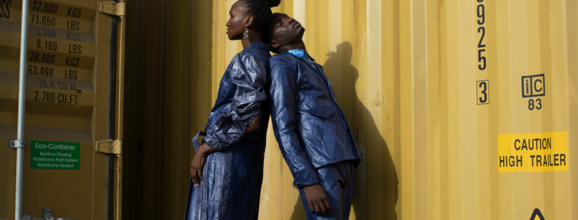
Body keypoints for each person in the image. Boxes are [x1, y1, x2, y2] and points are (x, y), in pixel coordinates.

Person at [184, 0, 280, 219]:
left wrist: (204, 149)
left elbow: (251, 121)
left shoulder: (248, 59)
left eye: (232, 16)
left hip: (226, 162)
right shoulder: (264, 57)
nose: (227, 23)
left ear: (248, 20)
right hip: (244, 161)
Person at [266, 13, 361, 220]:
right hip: (320, 167)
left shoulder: (312, 65)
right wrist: (307, 180)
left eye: (288, 17)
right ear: (274, 42)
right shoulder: (281, 65)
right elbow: (283, 126)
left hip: (342, 160)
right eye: (280, 23)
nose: (289, 20)